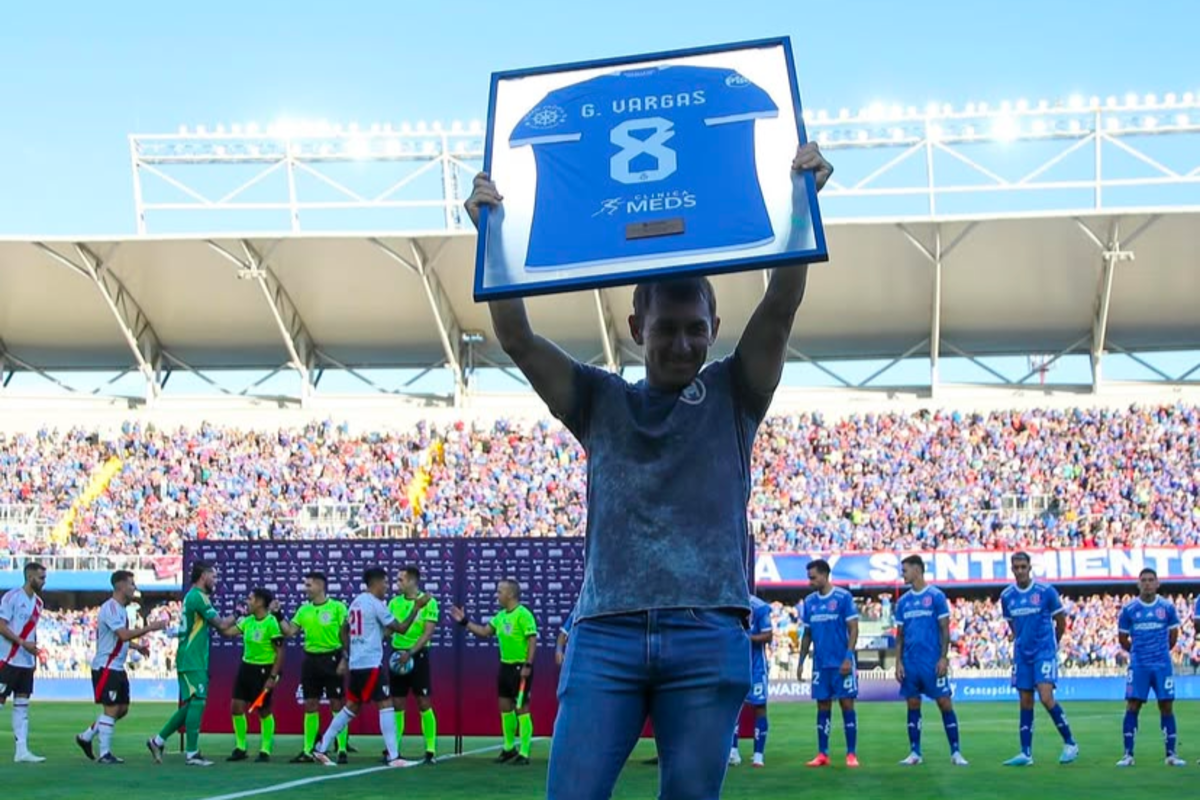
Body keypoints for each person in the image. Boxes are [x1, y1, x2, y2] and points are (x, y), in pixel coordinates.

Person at [464, 141, 832, 799]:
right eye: (666, 328)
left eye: (696, 327)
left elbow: (780, 306)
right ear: (637, 325)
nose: (682, 342)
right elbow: (516, 337)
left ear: (717, 326)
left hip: (706, 629)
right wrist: (489, 230)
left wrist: (803, 199)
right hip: (606, 631)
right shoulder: (599, 402)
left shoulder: (734, 394)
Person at [311, 567, 429, 767]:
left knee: (350, 708)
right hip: (370, 664)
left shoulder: (356, 602)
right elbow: (401, 628)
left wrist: (349, 655)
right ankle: (394, 757)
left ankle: (321, 749)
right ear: (376, 583)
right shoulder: (375, 605)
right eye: (385, 582)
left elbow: (343, 632)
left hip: (358, 664)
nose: (387, 586)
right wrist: (416, 607)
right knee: (386, 704)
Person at [146, 560, 240, 767]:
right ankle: (192, 753)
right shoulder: (198, 597)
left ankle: (157, 741)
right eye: (213, 576)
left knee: (191, 704)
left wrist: (240, 624)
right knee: (197, 701)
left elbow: (224, 629)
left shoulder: (194, 596)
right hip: (191, 657)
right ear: (203, 575)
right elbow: (223, 624)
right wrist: (240, 612)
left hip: (193, 657)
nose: (215, 580)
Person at [75, 570, 169, 764]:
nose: (134, 587)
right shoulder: (109, 608)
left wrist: (138, 647)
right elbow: (123, 635)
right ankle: (104, 754)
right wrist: (150, 628)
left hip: (117, 666)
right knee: (111, 709)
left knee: (122, 709)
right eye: (131, 584)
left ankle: (86, 736)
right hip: (106, 666)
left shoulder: (121, 610)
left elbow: (119, 639)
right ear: (120, 586)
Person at [999, 551, 1078, 766]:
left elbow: (1060, 621)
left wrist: (1052, 645)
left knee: (1045, 696)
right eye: (1016, 567)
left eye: (1023, 567)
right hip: (1022, 654)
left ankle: (1070, 743)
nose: (1020, 571)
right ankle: (1025, 753)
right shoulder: (1007, 596)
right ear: (1012, 569)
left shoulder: (1045, 592)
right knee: (1025, 701)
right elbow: (1013, 625)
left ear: (1029, 567)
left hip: (1043, 652)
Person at [450, 579, 538, 766]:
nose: (496, 595)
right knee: (505, 707)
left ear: (511, 594)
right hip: (505, 667)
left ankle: (524, 752)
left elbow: (532, 640)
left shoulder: (524, 615)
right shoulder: (500, 616)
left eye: (499, 592)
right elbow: (484, 631)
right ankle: (508, 748)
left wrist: (528, 665)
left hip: (520, 668)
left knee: (521, 709)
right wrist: (464, 622)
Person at [893, 555, 968, 766]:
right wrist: (898, 662)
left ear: (917, 570)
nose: (903, 574)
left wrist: (944, 657)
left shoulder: (936, 596)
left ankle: (956, 752)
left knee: (944, 703)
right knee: (913, 703)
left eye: (905, 570)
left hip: (932, 661)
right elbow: (899, 636)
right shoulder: (903, 602)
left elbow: (945, 629)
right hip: (910, 662)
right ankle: (915, 752)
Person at [279, 571, 351, 763]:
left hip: (333, 658)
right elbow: (289, 632)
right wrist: (278, 614)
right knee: (310, 704)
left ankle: (342, 749)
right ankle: (308, 750)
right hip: (311, 660)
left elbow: (347, 635)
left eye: (309, 585)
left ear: (320, 586)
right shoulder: (304, 610)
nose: (306, 589)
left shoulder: (338, 607)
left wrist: (345, 658)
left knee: (337, 703)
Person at [1116, 568, 1185, 767]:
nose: (1147, 584)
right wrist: (1137, 652)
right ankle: (1128, 755)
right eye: (1143, 580)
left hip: (1162, 665)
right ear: (1138, 584)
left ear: (1157, 583)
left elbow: (1173, 636)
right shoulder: (1129, 610)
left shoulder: (1167, 608)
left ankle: (1171, 754)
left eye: (1150, 580)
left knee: (1166, 706)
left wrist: (1161, 652)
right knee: (1133, 706)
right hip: (1139, 665)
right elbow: (1122, 639)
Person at [796, 559, 860, 768]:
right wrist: (801, 661)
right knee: (822, 705)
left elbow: (853, 629)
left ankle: (851, 754)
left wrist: (848, 657)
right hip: (820, 665)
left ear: (825, 575)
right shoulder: (809, 601)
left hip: (841, 663)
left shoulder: (843, 597)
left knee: (846, 704)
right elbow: (807, 634)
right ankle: (822, 753)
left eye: (813, 577)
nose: (810, 582)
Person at [386, 566, 440, 765]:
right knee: (397, 704)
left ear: (411, 581)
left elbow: (427, 633)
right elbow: (389, 630)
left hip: (418, 655)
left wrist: (410, 653)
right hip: (396, 656)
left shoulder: (429, 602)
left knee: (423, 702)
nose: (397, 583)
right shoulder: (393, 602)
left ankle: (430, 750)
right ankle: (394, 750)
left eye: (400, 579)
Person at [227, 588, 287, 763]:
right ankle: (240, 747)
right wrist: (216, 621)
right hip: (246, 667)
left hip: (264, 670)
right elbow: (228, 632)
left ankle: (265, 750)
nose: (248, 602)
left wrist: (273, 676)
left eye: (250, 599)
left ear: (260, 602)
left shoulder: (271, 623)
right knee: (236, 706)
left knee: (263, 710)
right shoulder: (247, 621)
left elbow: (280, 653)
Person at [0, 562, 48, 763]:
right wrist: (22, 643)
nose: (44, 581)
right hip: (7, 659)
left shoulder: (39, 603)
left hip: (26, 662)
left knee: (22, 705)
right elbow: (1, 625)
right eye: (41, 578)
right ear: (30, 577)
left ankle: (22, 751)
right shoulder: (11, 597)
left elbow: (31, 632)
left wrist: (34, 652)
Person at [730, 595, 773, 768]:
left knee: (760, 706)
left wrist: (745, 637)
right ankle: (733, 751)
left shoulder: (760, 607)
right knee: (732, 706)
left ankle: (758, 755)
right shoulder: (729, 601)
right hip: (734, 664)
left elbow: (768, 635)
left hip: (756, 667)